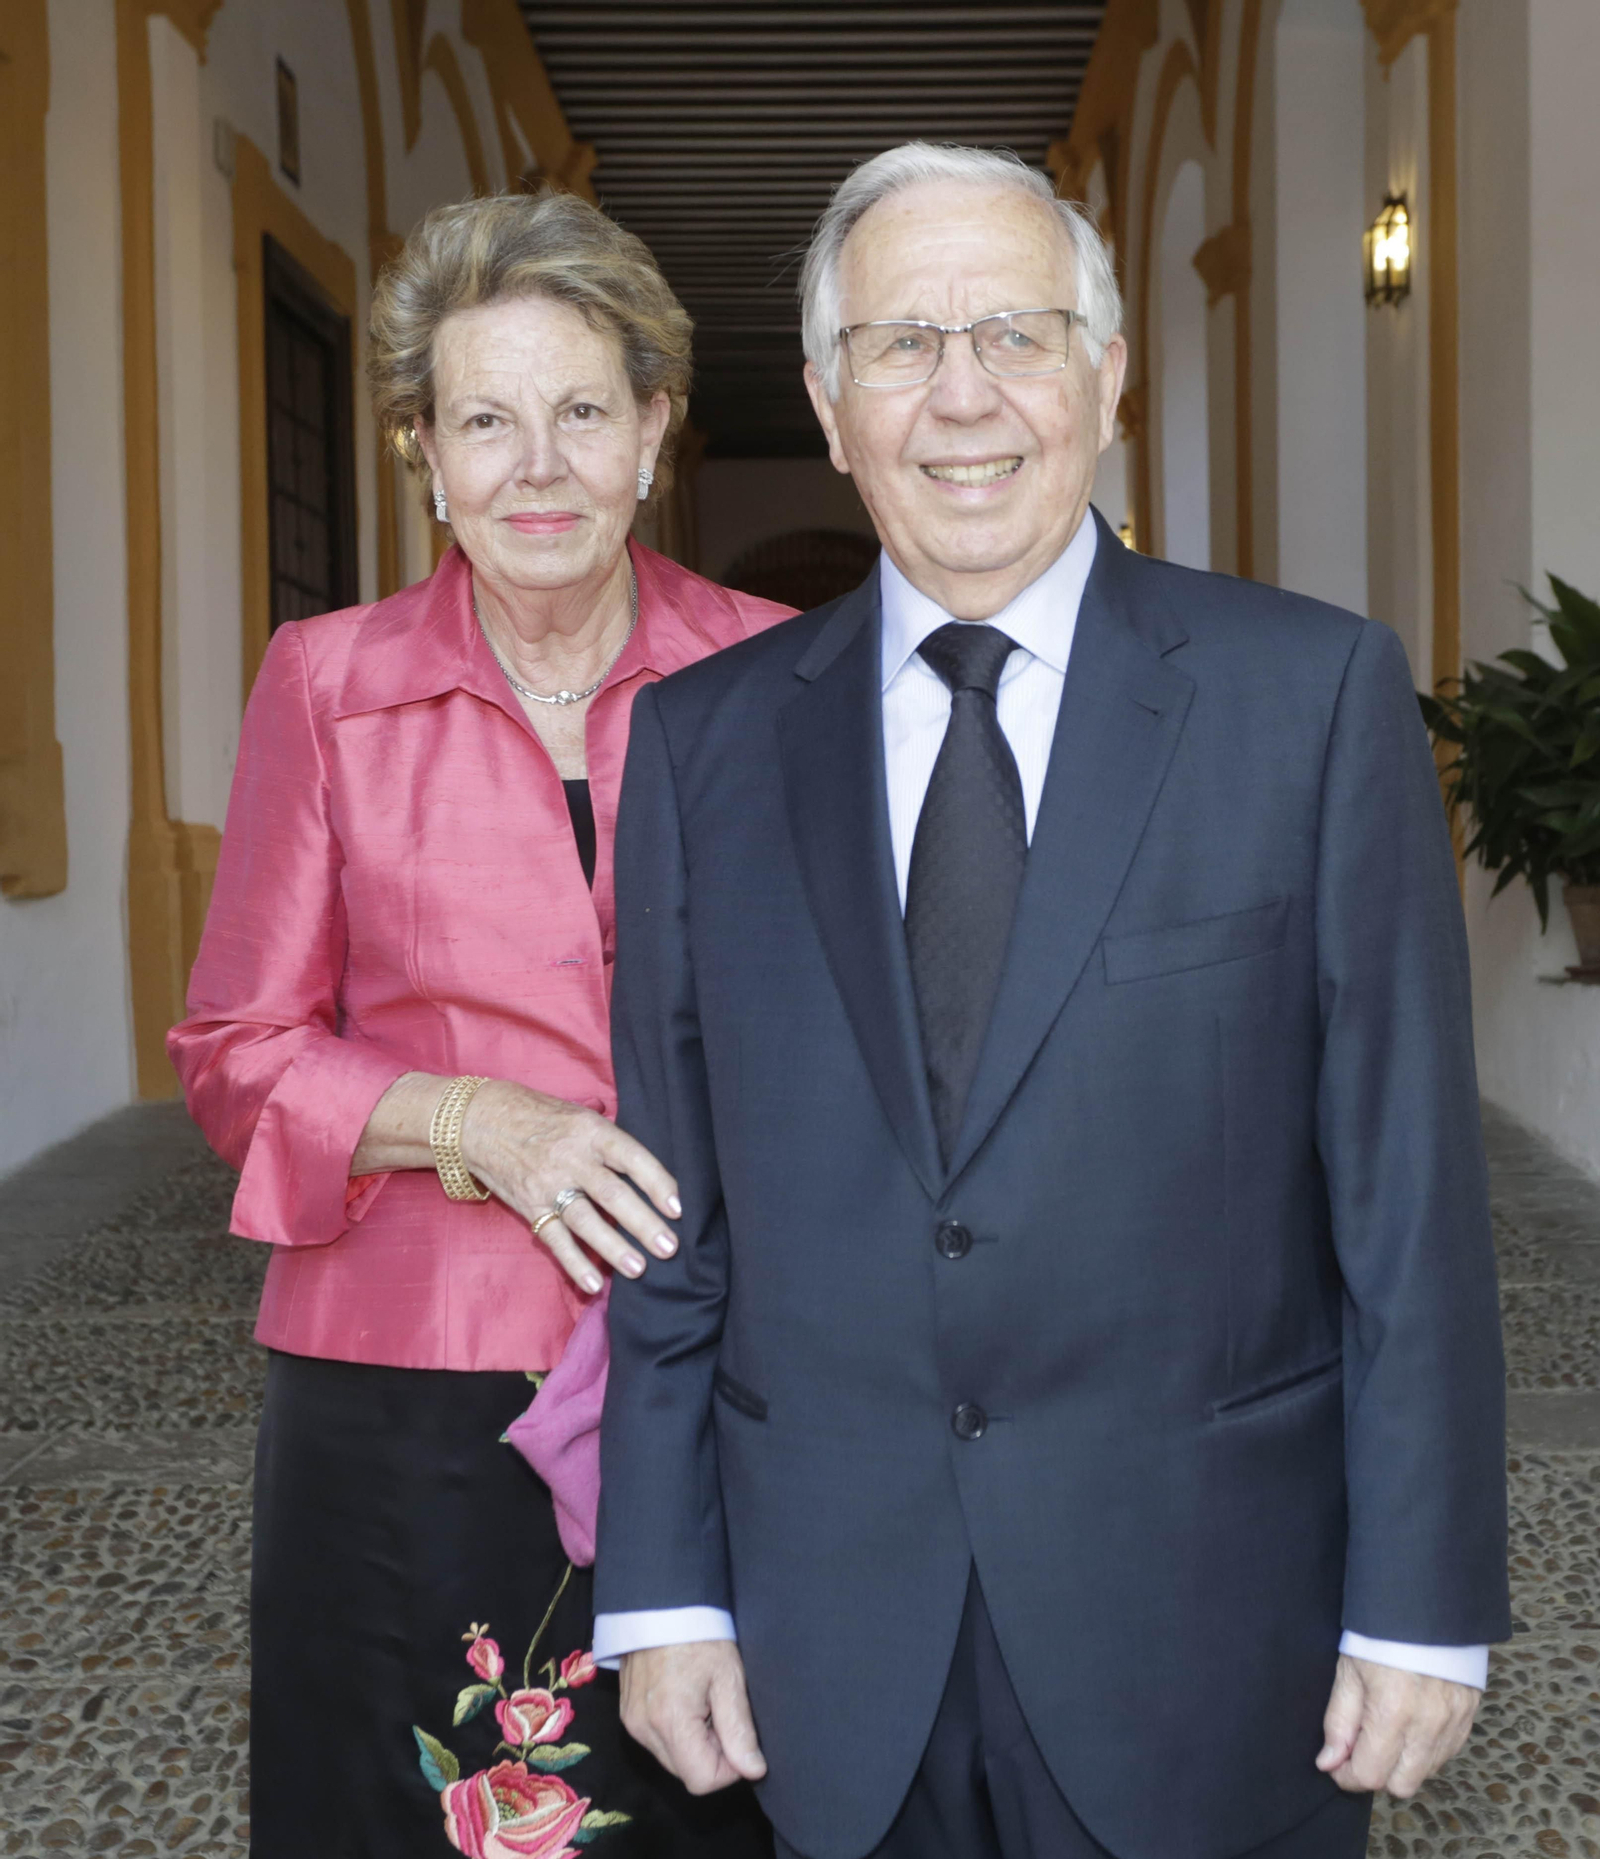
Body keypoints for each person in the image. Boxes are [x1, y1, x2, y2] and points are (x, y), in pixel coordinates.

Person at [592, 143, 1511, 1859]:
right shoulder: (700, 748)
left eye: (1016, 334)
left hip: (1215, 1622)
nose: (963, 399)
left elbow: (1406, 1201)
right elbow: (673, 1216)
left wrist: (1421, 1599)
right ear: (827, 397)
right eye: (901, 345)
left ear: (1106, 373)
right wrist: (661, 1596)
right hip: (826, 1632)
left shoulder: (1307, 698)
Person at [169, 189, 788, 1859]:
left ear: (655, 432)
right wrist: (481, 1125)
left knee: (718, 1804)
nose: (538, 466)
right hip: (410, 1391)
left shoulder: (780, 675)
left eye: (583, 412)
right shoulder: (327, 681)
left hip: (717, 1359)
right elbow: (238, 1047)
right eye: (485, 420)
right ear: (422, 453)